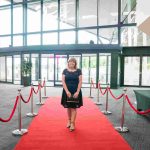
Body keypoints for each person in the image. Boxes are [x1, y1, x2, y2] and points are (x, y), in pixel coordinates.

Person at [61, 57, 83, 131]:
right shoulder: (65, 71)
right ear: (68, 63)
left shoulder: (78, 71)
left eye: (73, 62)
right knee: (68, 107)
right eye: (70, 62)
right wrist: (67, 91)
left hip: (75, 91)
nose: (72, 63)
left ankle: (73, 123)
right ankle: (69, 121)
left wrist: (78, 91)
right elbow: (63, 81)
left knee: (73, 107)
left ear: (75, 63)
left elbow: (80, 81)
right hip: (67, 91)